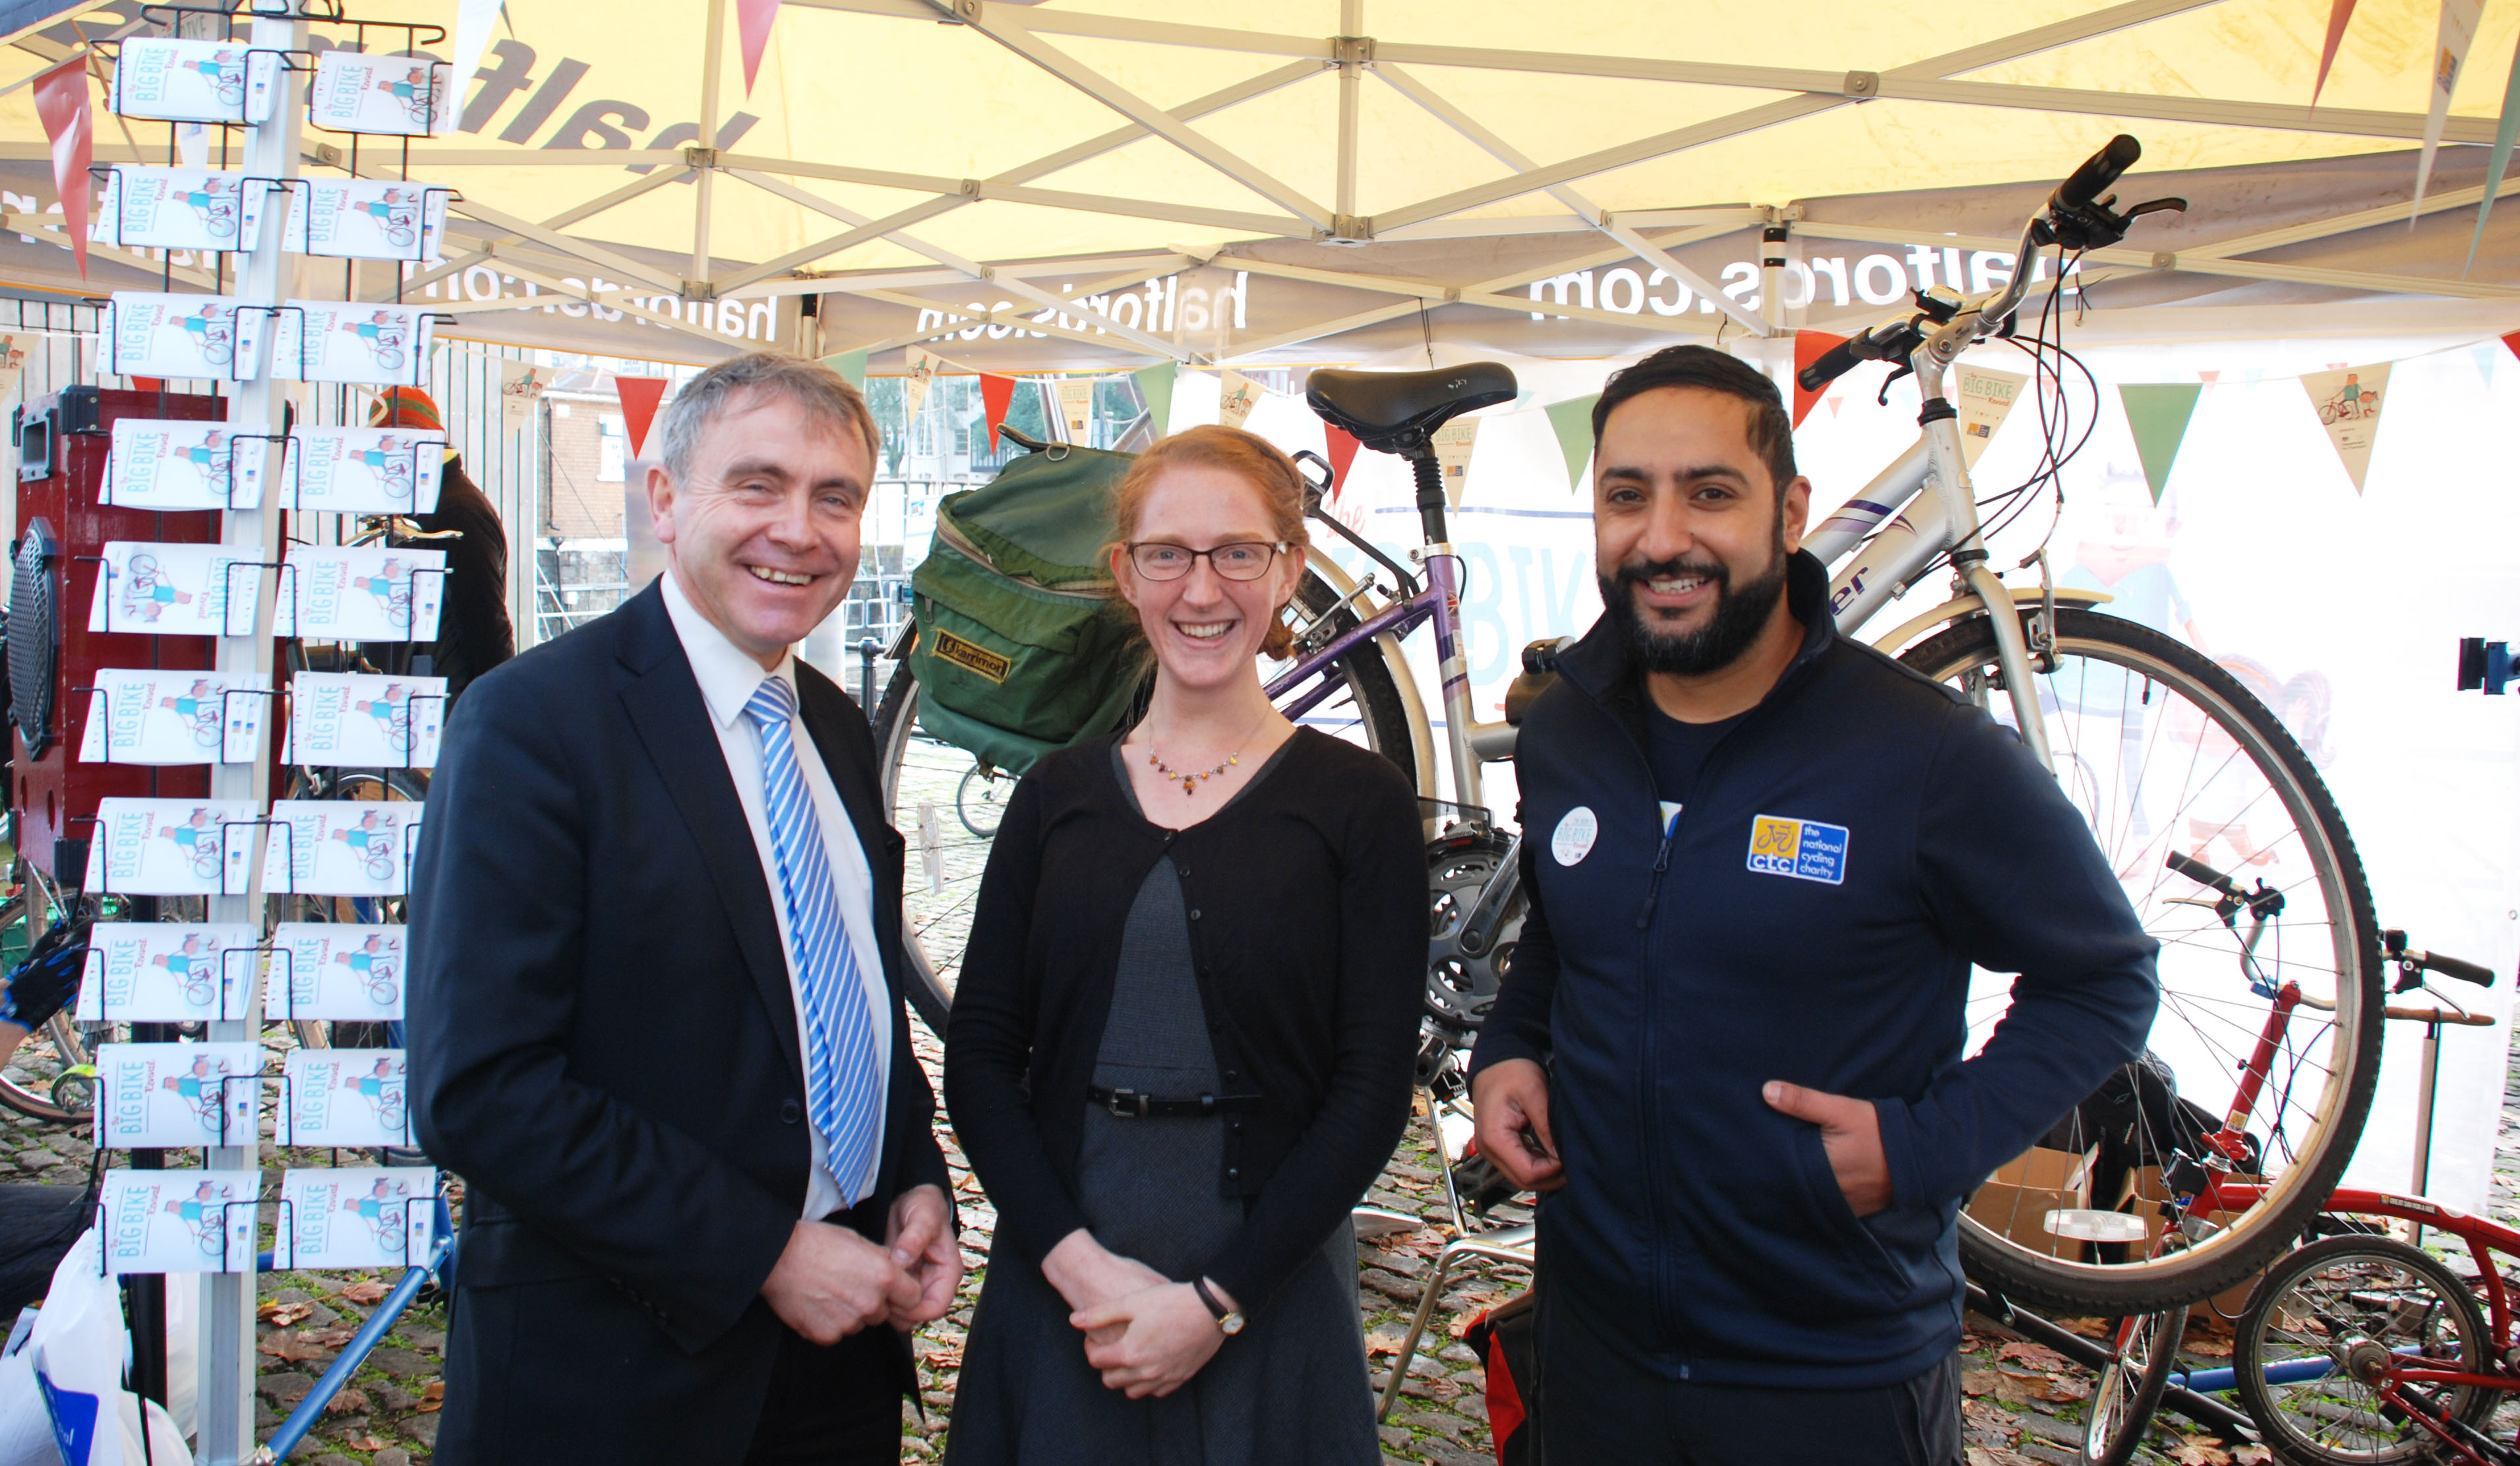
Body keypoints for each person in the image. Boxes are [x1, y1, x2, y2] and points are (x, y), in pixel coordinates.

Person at [1468, 346, 2159, 1463]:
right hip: (1592, 1352)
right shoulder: (1564, 732)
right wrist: (1508, 1044)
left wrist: (1928, 1143)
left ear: (1788, 510)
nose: (1661, 539)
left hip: (1827, 1378)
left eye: (1709, 491)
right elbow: (1567, 929)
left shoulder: (1923, 753)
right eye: (1625, 495)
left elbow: (2104, 976)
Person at [409, 351, 960, 1465]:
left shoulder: (836, 729)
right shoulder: (532, 723)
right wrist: (763, 1250)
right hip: (618, 1379)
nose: (798, 530)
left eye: (834, 496)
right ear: (663, 497)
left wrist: (913, 1175)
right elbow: (480, 1087)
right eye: (756, 485)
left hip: (841, 1357)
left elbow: (842, 993)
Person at [943, 425, 1425, 1464]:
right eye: (1167, 552)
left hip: (1266, 1278)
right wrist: (1078, 1269)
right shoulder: (1054, 797)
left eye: (1236, 552)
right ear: (1124, 571)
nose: (1200, 589)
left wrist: (1218, 1300)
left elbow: (1373, 1085)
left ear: (1289, 567)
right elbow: (980, 1056)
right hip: (1069, 1273)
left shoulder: (1360, 805)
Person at [368, 386, 514, 701]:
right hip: (427, 696)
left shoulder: (455, 510)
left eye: (404, 439)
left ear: (434, 440)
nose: (392, 453)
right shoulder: (422, 502)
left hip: (448, 704)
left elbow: (485, 623)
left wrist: (499, 709)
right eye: (384, 443)